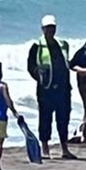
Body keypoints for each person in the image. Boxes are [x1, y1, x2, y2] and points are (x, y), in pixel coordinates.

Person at [27, 15, 76, 159]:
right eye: (48, 28)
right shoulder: (37, 46)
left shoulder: (62, 44)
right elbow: (31, 66)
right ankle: (45, 149)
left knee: (63, 118)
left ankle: (65, 149)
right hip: (45, 90)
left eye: (53, 27)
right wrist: (40, 77)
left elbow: (68, 62)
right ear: (42, 29)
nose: (50, 30)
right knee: (45, 118)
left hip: (63, 88)